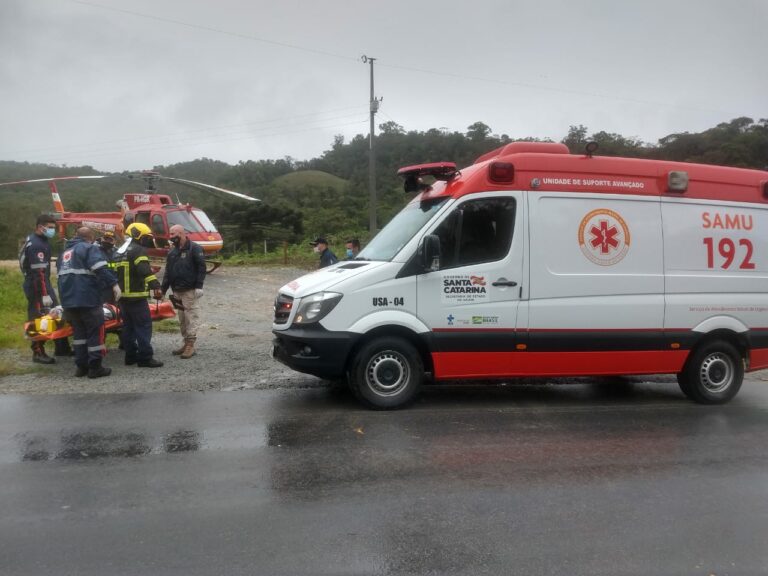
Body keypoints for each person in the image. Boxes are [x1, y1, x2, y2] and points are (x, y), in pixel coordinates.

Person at [57, 227, 121, 378]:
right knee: (95, 333)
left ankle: (81, 367)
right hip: (88, 299)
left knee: (79, 335)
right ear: (90, 237)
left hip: (69, 301)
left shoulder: (64, 253)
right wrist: (114, 284)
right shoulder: (88, 248)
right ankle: (95, 367)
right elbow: (100, 269)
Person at [19, 214, 68, 364]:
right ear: (41, 227)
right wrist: (45, 293)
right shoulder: (37, 244)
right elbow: (38, 272)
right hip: (37, 285)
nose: (52, 230)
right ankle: (38, 351)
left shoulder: (40, 240)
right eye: (51, 228)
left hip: (41, 282)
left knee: (56, 313)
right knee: (38, 318)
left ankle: (62, 346)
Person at [115, 223, 164, 368]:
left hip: (122, 298)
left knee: (128, 328)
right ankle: (145, 358)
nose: (147, 240)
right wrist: (156, 286)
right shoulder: (138, 250)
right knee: (143, 327)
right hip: (137, 297)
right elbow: (144, 271)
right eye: (146, 237)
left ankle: (130, 356)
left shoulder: (119, 251)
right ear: (138, 236)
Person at [160, 224, 206, 359]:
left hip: (190, 290)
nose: (171, 237)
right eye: (170, 234)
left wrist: (199, 286)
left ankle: (191, 345)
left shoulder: (194, 248)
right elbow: (168, 272)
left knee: (191, 316)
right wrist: (163, 290)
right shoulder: (172, 252)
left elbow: (201, 267)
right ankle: (186, 343)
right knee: (182, 318)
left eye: (173, 234)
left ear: (181, 233)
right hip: (177, 291)